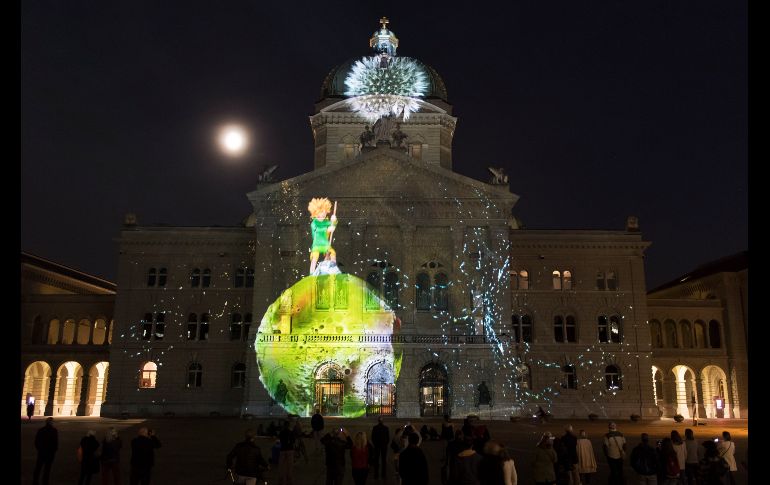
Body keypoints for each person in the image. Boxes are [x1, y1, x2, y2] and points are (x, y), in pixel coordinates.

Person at [308, 197, 337, 274]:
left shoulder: (326, 221)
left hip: (325, 244)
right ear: (315, 213)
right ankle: (312, 273)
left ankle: (332, 268)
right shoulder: (314, 223)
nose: (323, 215)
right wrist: (328, 230)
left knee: (332, 253)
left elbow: (332, 225)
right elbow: (317, 232)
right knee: (315, 258)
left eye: (324, 214)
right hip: (317, 244)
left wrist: (334, 221)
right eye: (321, 214)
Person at [33, 417, 58, 485]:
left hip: (41, 452)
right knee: (47, 469)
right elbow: (55, 443)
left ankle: (35, 481)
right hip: (50, 454)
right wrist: (54, 451)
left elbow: (36, 442)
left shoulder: (41, 430)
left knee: (38, 468)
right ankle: (45, 482)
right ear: (51, 423)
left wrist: (39, 449)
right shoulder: (54, 431)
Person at [278, 420, 296, 485]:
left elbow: (280, 440)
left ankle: (282, 480)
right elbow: (293, 441)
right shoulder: (291, 432)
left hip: (283, 450)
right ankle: (289, 480)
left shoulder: (281, 432)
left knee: (282, 467)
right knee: (290, 466)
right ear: (289, 426)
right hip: (290, 450)